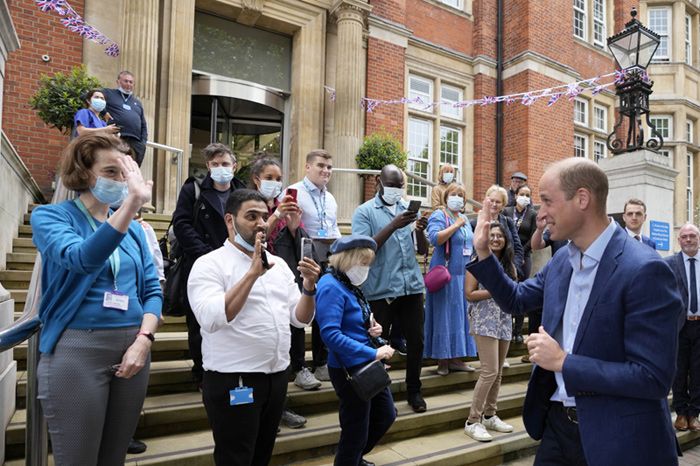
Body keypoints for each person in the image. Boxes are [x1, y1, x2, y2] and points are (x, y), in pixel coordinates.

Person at [467, 157, 682, 465]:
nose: (540, 214)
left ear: (582, 198)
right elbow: (515, 299)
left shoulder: (645, 269)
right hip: (557, 427)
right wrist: (484, 253)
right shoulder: (560, 262)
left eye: (547, 202)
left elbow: (652, 378)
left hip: (619, 436)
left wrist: (564, 362)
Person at [30, 134, 162, 465]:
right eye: (110, 172)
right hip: (78, 352)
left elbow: (152, 289)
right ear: (84, 172)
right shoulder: (52, 217)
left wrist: (144, 339)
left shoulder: (134, 231)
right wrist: (132, 203)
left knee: (113, 457)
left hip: (133, 350)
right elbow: (82, 258)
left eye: (125, 172)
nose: (120, 181)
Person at [187, 189, 321, 466]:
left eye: (264, 216)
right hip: (234, 380)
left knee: (262, 456)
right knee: (236, 458)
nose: (261, 223)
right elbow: (212, 318)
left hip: (276, 377)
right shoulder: (209, 264)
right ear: (229, 220)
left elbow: (301, 318)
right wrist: (251, 273)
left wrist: (309, 287)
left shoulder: (280, 265)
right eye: (251, 216)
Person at [352, 164, 430, 413]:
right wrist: (393, 225)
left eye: (400, 186)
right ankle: (376, 394)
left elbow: (421, 250)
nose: (396, 190)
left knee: (416, 341)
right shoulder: (364, 212)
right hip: (381, 289)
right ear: (379, 181)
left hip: (412, 287)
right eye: (391, 185)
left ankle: (414, 391)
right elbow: (364, 250)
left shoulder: (405, 210)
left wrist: (418, 231)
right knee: (377, 345)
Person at [315, 235, 397, 466]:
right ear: (347, 259)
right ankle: (349, 460)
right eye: (363, 262)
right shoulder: (330, 285)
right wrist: (373, 353)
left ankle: (354, 458)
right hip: (349, 367)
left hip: (364, 362)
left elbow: (354, 321)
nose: (365, 268)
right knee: (356, 427)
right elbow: (330, 335)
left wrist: (374, 329)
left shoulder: (347, 284)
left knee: (385, 416)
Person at [172, 143, 246, 388]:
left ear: (234, 166)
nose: (220, 168)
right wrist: (207, 255)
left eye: (225, 164)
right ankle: (203, 371)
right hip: (201, 263)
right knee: (200, 321)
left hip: (236, 265)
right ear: (207, 166)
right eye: (215, 164)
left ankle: (232, 368)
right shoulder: (192, 189)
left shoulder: (243, 191)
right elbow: (181, 224)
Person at [285, 149, 340, 381]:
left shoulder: (330, 198)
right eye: (320, 166)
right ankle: (298, 367)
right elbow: (286, 228)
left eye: (329, 167)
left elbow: (334, 228)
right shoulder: (293, 192)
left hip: (326, 259)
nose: (326, 171)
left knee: (324, 312)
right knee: (298, 311)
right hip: (302, 259)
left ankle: (321, 362)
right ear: (307, 167)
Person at [464, 222, 517, 442]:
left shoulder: (509, 265)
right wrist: (493, 291)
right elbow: (469, 294)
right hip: (484, 320)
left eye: (499, 236)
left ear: (505, 240)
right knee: (489, 371)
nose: (495, 239)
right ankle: (472, 421)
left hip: (504, 320)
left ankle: (490, 415)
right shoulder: (478, 263)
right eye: (492, 235)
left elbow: (514, 290)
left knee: (498, 373)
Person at [424, 183, 477, 375]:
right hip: (445, 276)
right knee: (443, 316)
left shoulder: (464, 217)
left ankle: (457, 358)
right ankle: (443, 360)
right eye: (454, 194)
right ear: (446, 198)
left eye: (461, 195)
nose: (458, 198)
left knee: (460, 317)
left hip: (464, 276)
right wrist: (455, 226)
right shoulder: (440, 215)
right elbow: (434, 239)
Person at [666, 223, 700, 432]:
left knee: (698, 372)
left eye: (692, 236)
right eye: (684, 236)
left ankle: (694, 413)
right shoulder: (669, 263)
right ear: (679, 240)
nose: (688, 240)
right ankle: (680, 413)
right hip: (679, 326)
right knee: (678, 371)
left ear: (699, 239)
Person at [503, 185, 538, 346]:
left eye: (527, 195)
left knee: (521, 291)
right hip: (507, 256)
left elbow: (533, 238)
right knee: (508, 290)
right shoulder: (507, 211)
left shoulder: (532, 214)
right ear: (516, 195)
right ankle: (507, 329)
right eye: (522, 194)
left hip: (524, 257)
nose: (525, 197)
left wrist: (521, 253)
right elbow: (503, 232)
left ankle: (517, 331)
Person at [103, 71, 148, 165]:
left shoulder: (137, 102)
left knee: (132, 170)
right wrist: (104, 112)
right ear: (118, 82)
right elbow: (89, 96)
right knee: (115, 166)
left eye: (131, 82)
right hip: (117, 137)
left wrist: (143, 143)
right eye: (126, 81)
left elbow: (143, 124)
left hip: (136, 143)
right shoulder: (109, 93)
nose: (128, 84)